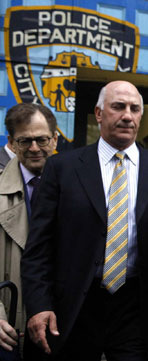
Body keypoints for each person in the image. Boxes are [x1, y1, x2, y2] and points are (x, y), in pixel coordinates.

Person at [21, 80, 148, 360]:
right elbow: (39, 246)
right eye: (118, 107)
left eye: (134, 109)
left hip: (134, 307)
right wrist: (38, 304)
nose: (127, 115)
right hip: (74, 307)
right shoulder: (63, 168)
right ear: (99, 113)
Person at [0, 103, 58, 353]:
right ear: (12, 144)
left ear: (55, 140)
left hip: (59, 327)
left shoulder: (81, 190)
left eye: (42, 139)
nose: (34, 148)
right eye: (25, 141)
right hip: (9, 328)